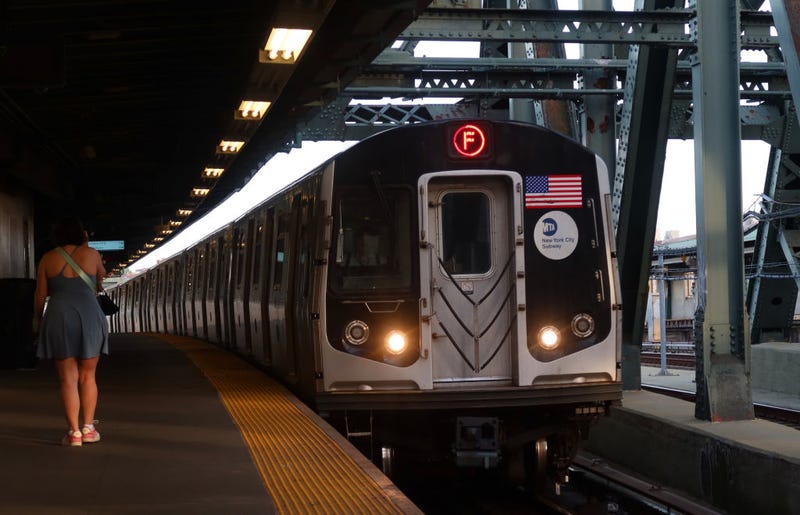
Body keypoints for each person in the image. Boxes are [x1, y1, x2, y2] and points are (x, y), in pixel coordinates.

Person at [33, 216, 109, 446]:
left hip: (59, 317)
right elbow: (99, 284)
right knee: (88, 376)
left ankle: (74, 433)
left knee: (68, 379)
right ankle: (88, 429)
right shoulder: (93, 255)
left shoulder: (47, 259)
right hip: (89, 315)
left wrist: (37, 322)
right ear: (82, 235)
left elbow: (40, 295)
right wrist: (85, 248)